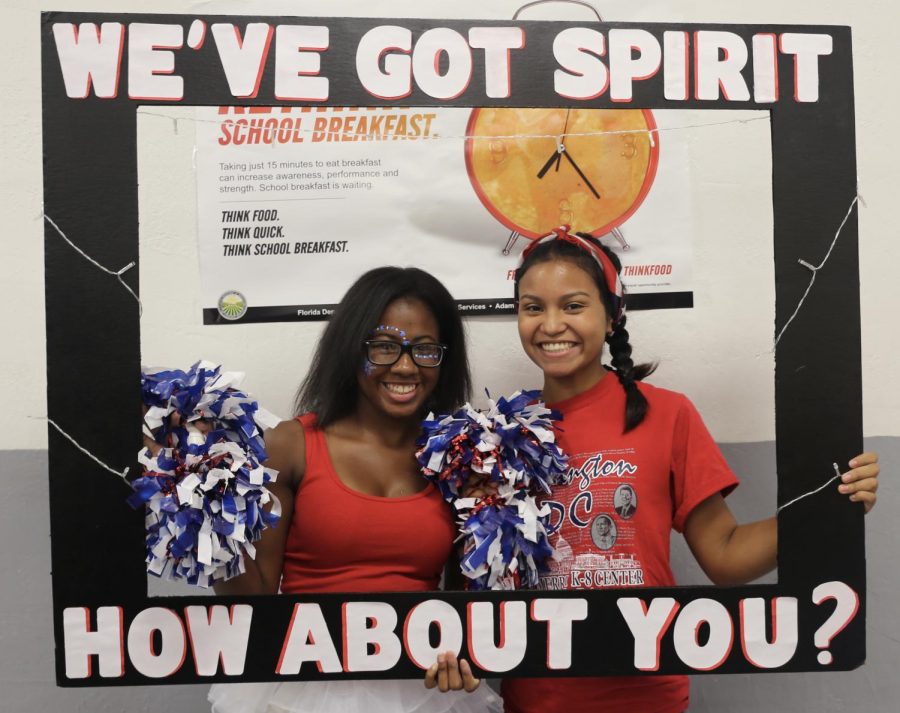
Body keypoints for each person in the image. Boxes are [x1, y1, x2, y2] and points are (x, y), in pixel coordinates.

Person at [495, 228, 880, 713]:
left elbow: (725, 556)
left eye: (573, 306)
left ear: (612, 316)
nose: (551, 325)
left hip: (646, 694)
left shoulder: (668, 415)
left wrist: (830, 506)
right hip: (536, 697)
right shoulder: (499, 433)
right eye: (533, 308)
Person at [207, 266, 500, 713]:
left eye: (424, 350)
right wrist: (206, 528)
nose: (405, 366)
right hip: (301, 689)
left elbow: (463, 605)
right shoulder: (291, 445)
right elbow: (255, 601)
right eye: (384, 347)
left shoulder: (458, 456)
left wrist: (462, 656)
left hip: (420, 691)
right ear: (350, 349)